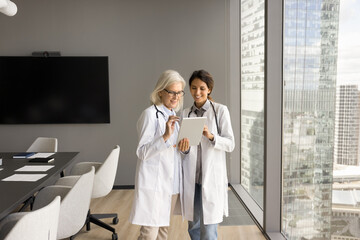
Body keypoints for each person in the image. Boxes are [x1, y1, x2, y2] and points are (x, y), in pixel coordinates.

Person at [129, 70, 189, 240]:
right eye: (172, 92)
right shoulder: (149, 115)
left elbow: (174, 152)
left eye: (179, 92)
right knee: (149, 233)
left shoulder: (174, 116)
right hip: (154, 184)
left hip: (171, 184)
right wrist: (165, 136)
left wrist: (184, 147)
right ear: (161, 91)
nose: (176, 97)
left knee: (163, 231)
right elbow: (142, 152)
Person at [180, 69, 235, 240]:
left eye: (202, 88)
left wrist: (211, 136)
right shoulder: (184, 113)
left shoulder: (220, 111)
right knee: (194, 227)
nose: (197, 92)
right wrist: (184, 148)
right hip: (193, 181)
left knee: (209, 232)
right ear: (189, 89)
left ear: (209, 89)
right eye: (194, 88)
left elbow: (230, 144)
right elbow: (183, 151)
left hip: (211, 180)